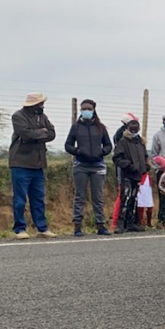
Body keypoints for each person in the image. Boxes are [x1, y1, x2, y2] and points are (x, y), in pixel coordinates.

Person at [9, 93, 57, 240]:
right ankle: (20, 229)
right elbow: (25, 135)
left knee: (38, 198)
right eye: (40, 103)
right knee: (20, 199)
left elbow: (52, 133)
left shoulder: (43, 117)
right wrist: (41, 132)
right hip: (20, 163)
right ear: (32, 105)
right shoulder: (18, 116)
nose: (42, 106)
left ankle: (42, 228)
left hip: (38, 163)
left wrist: (38, 133)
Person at [64, 99, 113, 236]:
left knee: (98, 197)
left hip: (97, 166)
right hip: (81, 165)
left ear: (93, 110)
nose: (86, 111)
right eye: (83, 109)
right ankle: (77, 226)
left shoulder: (101, 127)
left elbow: (109, 145)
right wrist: (78, 151)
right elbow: (68, 145)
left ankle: (100, 225)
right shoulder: (76, 127)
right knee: (80, 196)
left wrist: (102, 152)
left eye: (88, 109)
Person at [112, 117, 148, 234]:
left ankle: (131, 223)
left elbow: (145, 156)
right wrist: (128, 165)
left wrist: (146, 166)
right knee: (125, 197)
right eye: (131, 129)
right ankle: (120, 224)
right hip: (127, 174)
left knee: (134, 198)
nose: (133, 132)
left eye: (136, 129)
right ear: (127, 129)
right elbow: (117, 158)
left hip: (138, 175)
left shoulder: (141, 142)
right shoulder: (123, 141)